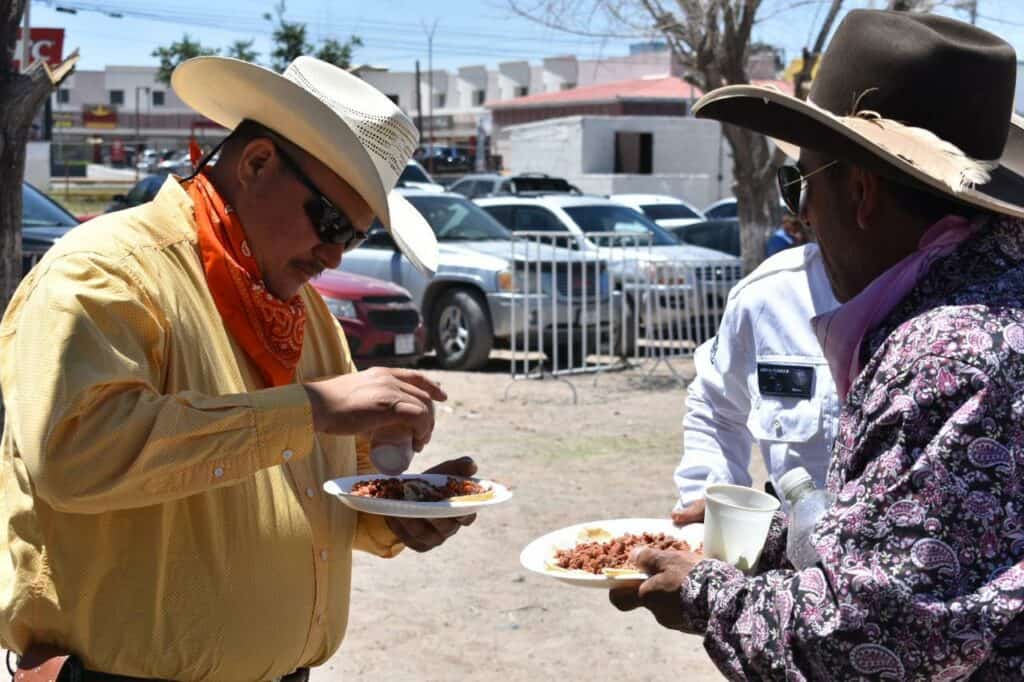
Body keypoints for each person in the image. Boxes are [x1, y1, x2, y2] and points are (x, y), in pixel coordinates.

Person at [0, 56, 475, 681]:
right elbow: (77, 454)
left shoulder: (301, 312)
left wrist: (396, 512)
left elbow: (308, 489)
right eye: (331, 221)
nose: (334, 254)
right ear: (256, 164)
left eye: (354, 238)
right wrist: (315, 408)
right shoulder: (106, 271)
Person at [609, 11, 1024, 679]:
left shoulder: (947, 355)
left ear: (860, 192)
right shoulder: (984, 312)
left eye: (803, 184)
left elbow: (870, 640)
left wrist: (703, 592)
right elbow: (908, 547)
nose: (801, 216)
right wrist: (770, 538)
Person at [672, 242, 839, 526]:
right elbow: (717, 405)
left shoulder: (923, 309)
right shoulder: (769, 295)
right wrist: (712, 493)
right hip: (794, 544)